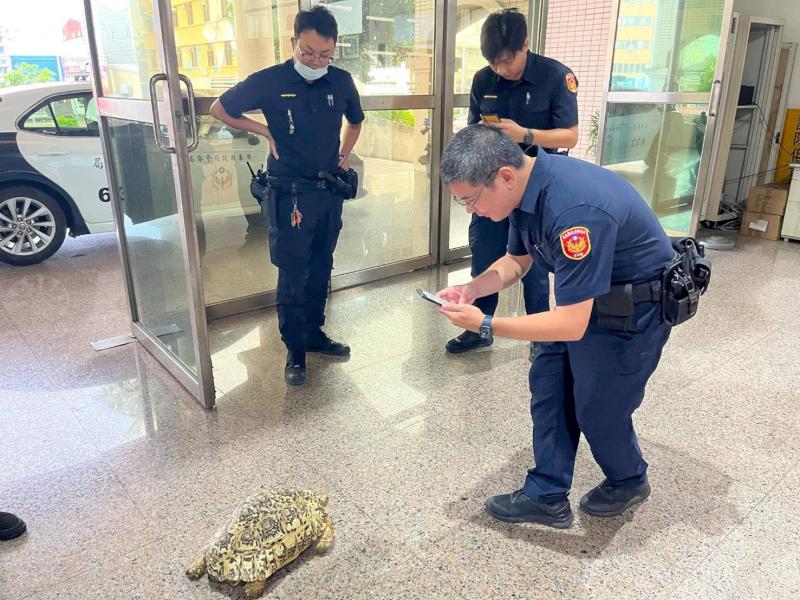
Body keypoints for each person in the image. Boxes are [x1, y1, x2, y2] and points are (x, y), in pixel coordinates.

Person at [437, 124, 674, 528]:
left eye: (470, 200)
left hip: (632, 312)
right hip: (581, 300)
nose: (471, 211)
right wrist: (473, 289)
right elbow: (517, 261)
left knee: (599, 409)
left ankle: (630, 478)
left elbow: (570, 324)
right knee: (549, 387)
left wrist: (486, 324)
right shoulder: (523, 188)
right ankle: (546, 494)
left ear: (504, 176)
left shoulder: (574, 209)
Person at [211, 5, 364, 385]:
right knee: (293, 271)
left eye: (325, 55)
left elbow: (356, 121)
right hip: (288, 192)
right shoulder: (269, 80)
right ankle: (294, 348)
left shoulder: (341, 81)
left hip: (327, 190)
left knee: (322, 265)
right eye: (308, 52)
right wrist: (264, 131)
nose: (316, 61)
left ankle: (314, 333)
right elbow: (220, 108)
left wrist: (343, 156)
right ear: (293, 42)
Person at [446, 9, 579, 354]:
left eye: (507, 61)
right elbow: (474, 129)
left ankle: (541, 336)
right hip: (491, 187)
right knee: (484, 254)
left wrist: (525, 134)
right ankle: (478, 327)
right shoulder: (483, 80)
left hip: (535, 190)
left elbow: (570, 135)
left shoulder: (555, 76)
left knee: (532, 265)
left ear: (525, 45)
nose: (501, 69)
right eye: (494, 63)